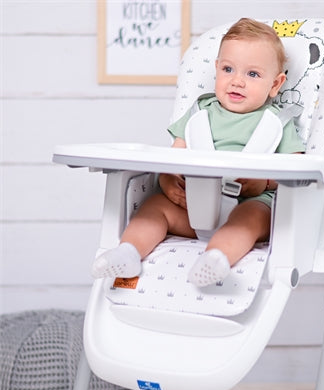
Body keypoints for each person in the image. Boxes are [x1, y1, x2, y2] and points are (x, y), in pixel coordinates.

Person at [92, 18, 305, 287]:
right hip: (194, 209)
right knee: (155, 207)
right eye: (228, 69)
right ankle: (129, 252)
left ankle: (216, 258)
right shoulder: (199, 112)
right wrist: (169, 183)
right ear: (216, 70)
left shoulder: (278, 122)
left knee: (253, 217)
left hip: (250, 203)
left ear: (275, 84)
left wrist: (264, 183)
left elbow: (297, 171)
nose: (237, 81)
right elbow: (172, 160)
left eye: (252, 74)